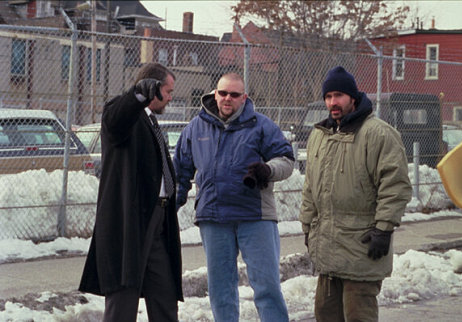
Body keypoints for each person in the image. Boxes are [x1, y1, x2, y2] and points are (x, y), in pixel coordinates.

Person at [174, 73, 294, 322]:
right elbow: (181, 173)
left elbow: (286, 160)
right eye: (223, 93)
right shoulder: (195, 128)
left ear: (244, 98)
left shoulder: (262, 125)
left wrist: (268, 170)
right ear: (215, 94)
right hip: (213, 217)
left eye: (234, 94)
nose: (228, 98)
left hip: (255, 216)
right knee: (220, 289)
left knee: (267, 286)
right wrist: (168, 207)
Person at [299, 66, 412, 322]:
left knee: (358, 316)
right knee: (325, 315)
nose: (332, 102)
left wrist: (384, 228)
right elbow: (310, 185)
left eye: (338, 95)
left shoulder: (378, 134)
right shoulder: (319, 135)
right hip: (327, 246)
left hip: (362, 245)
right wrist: (307, 224)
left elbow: (395, 185)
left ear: (353, 97)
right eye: (328, 97)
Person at [79, 63, 183, 321]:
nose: (170, 97)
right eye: (167, 91)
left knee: (165, 297)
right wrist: (137, 94)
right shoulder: (126, 115)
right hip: (130, 225)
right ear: (153, 89)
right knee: (122, 304)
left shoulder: (151, 121)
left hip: (158, 223)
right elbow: (115, 120)